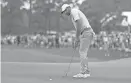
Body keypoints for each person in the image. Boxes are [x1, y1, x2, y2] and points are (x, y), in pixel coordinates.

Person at [61, 4, 95, 78]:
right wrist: (78, 37)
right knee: (82, 52)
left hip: (86, 31)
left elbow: (79, 24)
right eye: (63, 12)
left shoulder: (74, 12)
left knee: (82, 52)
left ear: (68, 8)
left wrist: (77, 38)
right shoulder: (73, 15)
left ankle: (84, 72)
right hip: (85, 32)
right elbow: (78, 27)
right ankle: (85, 72)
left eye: (65, 11)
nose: (64, 13)